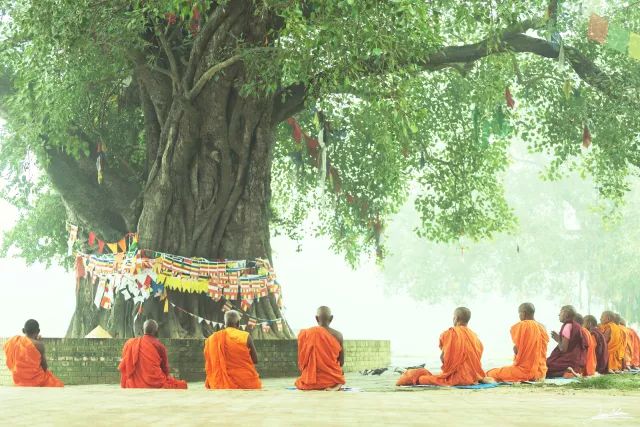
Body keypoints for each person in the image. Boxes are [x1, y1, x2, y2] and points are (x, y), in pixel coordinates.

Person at [396, 307, 492, 386]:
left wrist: (450, 371)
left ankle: (405, 372)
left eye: (453, 317)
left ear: (456, 318)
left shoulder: (450, 333)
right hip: (475, 377)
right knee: (429, 375)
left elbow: (443, 357)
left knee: (420, 378)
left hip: (458, 379)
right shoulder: (475, 337)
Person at [486, 303, 549, 382]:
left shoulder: (523, 325)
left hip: (525, 372)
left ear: (523, 313)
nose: (519, 316)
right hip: (541, 373)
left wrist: (515, 349)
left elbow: (517, 350)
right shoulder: (542, 327)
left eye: (519, 313)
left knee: (491, 373)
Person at [118, 319, 187, 389]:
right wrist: (166, 378)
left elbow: (126, 366)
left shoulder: (131, 343)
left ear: (143, 330)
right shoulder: (159, 345)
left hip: (133, 383)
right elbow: (165, 368)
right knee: (183, 385)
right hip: (154, 382)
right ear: (156, 331)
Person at [204, 310, 261, 389]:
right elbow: (255, 360)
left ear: (225, 323)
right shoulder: (245, 336)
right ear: (238, 323)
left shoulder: (212, 339)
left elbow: (210, 361)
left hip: (219, 383)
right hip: (245, 382)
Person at [295, 306, 346, 390]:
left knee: (302, 378)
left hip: (310, 381)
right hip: (331, 380)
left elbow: (302, 362)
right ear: (331, 318)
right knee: (340, 374)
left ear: (316, 318)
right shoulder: (338, 335)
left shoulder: (308, 334)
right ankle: (334, 387)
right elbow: (341, 362)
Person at [3, 319, 64, 387]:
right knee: (58, 383)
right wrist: (39, 342)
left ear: (23, 330)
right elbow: (45, 367)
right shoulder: (39, 345)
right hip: (36, 380)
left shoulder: (13, 341)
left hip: (18, 380)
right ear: (38, 331)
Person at [546, 305, 587, 378]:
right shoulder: (577, 326)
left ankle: (566, 372)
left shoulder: (567, 326)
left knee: (545, 367)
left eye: (560, 312)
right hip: (576, 360)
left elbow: (564, 349)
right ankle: (569, 371)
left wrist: (558, 339)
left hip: (568, 360)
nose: (559, 315)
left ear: (566, 314)